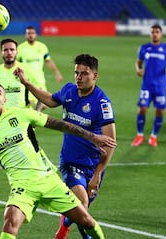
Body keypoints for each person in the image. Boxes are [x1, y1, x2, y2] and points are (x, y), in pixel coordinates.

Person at [0, 83, 117, 239]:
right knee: (9, 223)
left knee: (86, 221)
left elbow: (61, 124)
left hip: (48, 180)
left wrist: (93, 136)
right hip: (22, 186)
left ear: (4, 100)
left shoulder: (22, 115)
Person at [14, 54, 116, 239]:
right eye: (76, 73)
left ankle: (64, 224)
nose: (78, 77)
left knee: (78, 211)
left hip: (93, 166)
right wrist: (27, 83)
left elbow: (110, 143)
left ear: (95, 76)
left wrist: (97, 174)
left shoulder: (102, 104)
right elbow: (51, 100)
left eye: (84, 74)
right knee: (82, 206)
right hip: (70, 162)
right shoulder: (69, 91)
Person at [132, 24, 166, 147]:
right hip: (146, 84)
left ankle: (153, 136)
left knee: (160, 111)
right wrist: (138, 69)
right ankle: (140, 135)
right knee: (142, 109)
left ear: (161, 34)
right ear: (150, 34)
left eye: (157, 31)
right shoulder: (144, 48)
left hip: (160, 85)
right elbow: (138, 62)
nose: (155, 34)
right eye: (153, 32)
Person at [17, 26, 63, 111]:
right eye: (28, 33)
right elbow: (16, 64)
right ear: (25, 35)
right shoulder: (20, 48)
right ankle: (34, 116)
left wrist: (57, 73)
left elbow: (48, 61)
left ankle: (35, 116)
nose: (31, 35)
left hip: (40, 81)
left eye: (32, 33)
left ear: (36, 35)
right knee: (29, 104)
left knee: (44, 102)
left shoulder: (42, 47)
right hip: (27, 81)